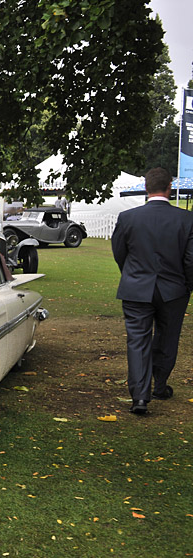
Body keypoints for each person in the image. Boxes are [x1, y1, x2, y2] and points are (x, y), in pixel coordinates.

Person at [111, 168, 193, 415]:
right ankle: (160, 384)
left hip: (137, 287)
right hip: (174, 289)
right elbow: (190, 260)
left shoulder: (128, 217)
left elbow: (119, 252)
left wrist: (132, 275)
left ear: (146, 189)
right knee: (168, 338)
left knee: (137, 341)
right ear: (169, 187)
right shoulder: (186, 219)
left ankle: (139, 397)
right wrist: (187, 285)